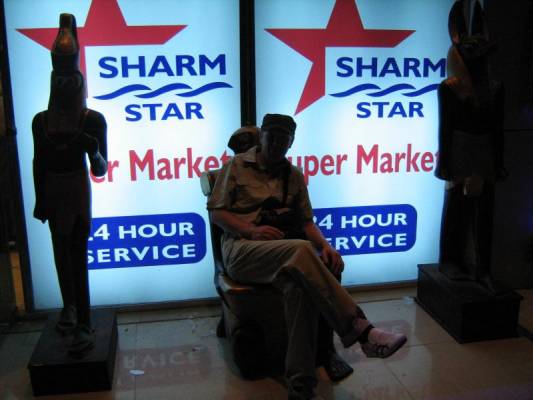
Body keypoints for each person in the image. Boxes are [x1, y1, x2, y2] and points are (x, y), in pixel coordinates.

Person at [208, 114, 406, 399]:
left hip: (282, 252)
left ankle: (301, 384)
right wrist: (251, 230)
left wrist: (326, 245)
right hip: (241, 250)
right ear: (262, 137)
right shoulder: (236, 166)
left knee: (300, 287)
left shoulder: (294, 175)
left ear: (291, 143)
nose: (276, 144)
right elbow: (217, 213)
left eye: (283, 140)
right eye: (272, 137)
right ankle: (362, 331)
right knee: (302, 249)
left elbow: (306, 222)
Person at [32, 14, 107, 356]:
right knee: (60, 252)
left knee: (77, 252)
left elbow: (100, 169)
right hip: (53, 187)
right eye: (58, 79)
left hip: (76, 187)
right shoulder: (41, 121)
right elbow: (38, 161)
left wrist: (93, 149)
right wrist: (39, 199)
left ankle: (84, 320)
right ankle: (70, 307)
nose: (64, 87)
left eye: (69, 79)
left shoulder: (92, 120)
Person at [435, 0, 505, 293]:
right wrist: (445, 163)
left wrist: (498, 161)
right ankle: (450, 260)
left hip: (484, 149)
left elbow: (498, 128)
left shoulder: (495, 89)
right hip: (461, 149)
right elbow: (446, 128)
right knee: (457, 207)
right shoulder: (450, 89)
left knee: (485, 210)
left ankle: (482, 267)